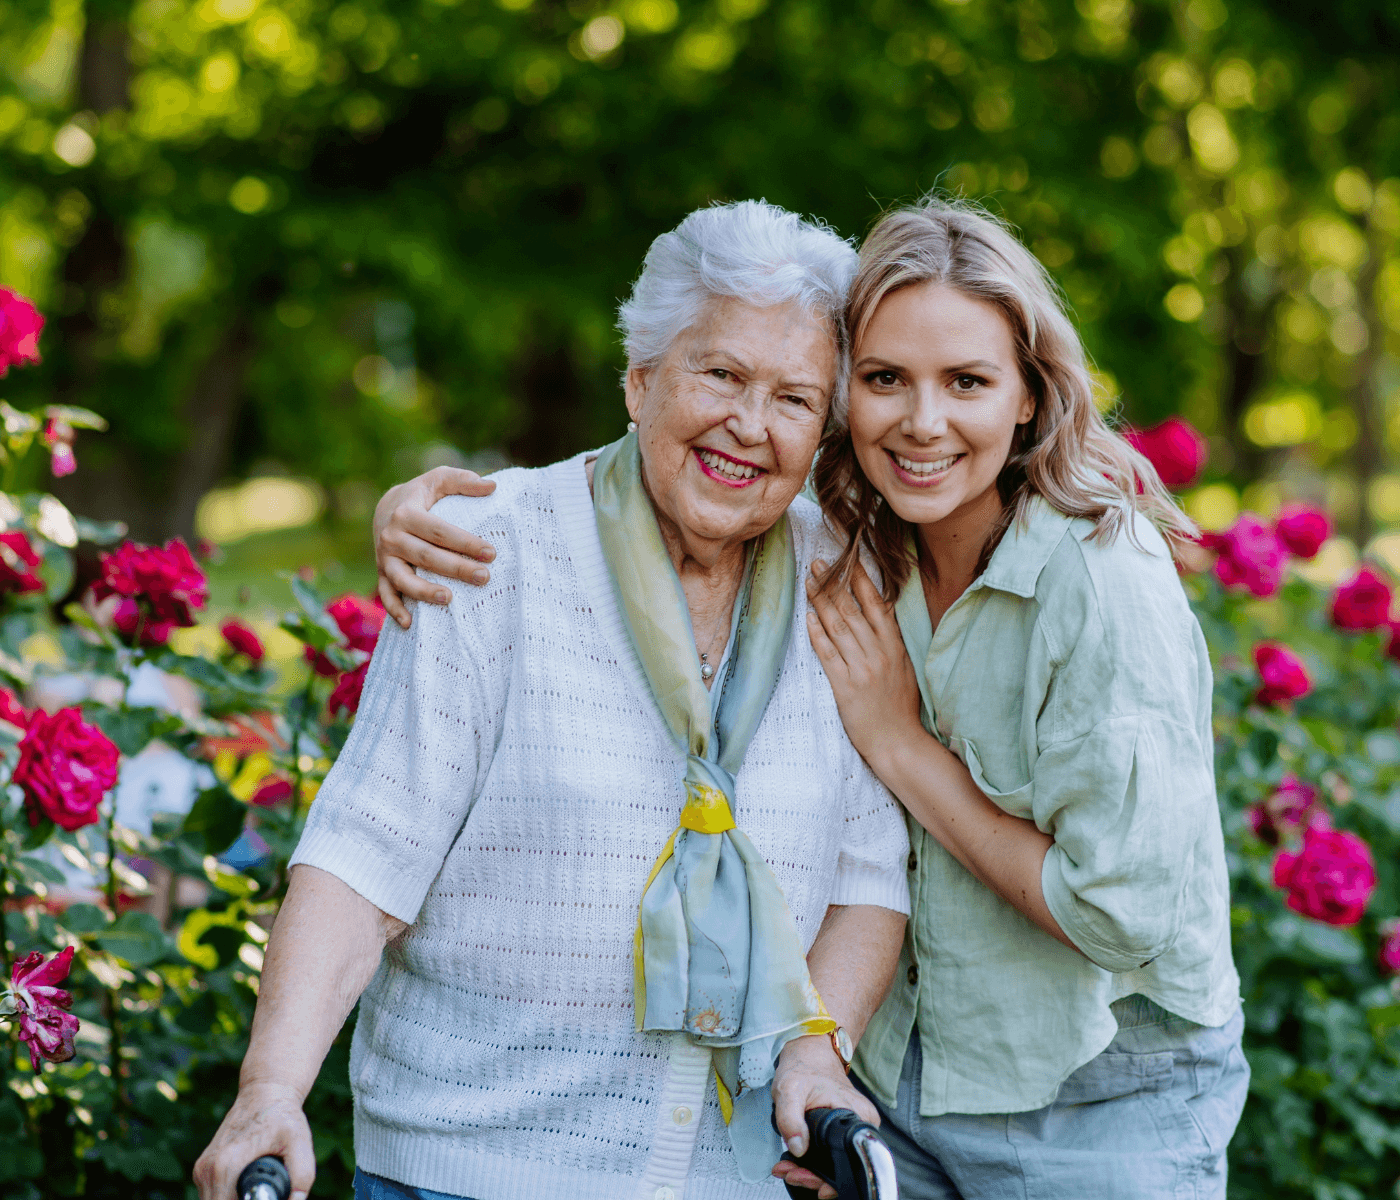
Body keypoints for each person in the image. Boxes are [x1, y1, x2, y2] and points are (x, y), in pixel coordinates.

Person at [376, 197, 1247, 1199]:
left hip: (1092, 1099)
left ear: (1027, 394)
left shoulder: (1099, 582)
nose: (922, 422)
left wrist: (897, 741)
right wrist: (427, 512)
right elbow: (679, 459)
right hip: (895, 1089)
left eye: (965, 381)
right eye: (883, 380)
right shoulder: (850, 541)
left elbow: (1116, 910)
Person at [193, 200, 912, 1200]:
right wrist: (268, 1095)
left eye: (794, 398)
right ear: (638, 379)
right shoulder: (489, 550)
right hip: (468, 1166)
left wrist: (815, 1048)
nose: (749, 424)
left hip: (730, 1177)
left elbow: (867, 873)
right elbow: (364, 856)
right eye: (720, 374)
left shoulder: (841, 581)